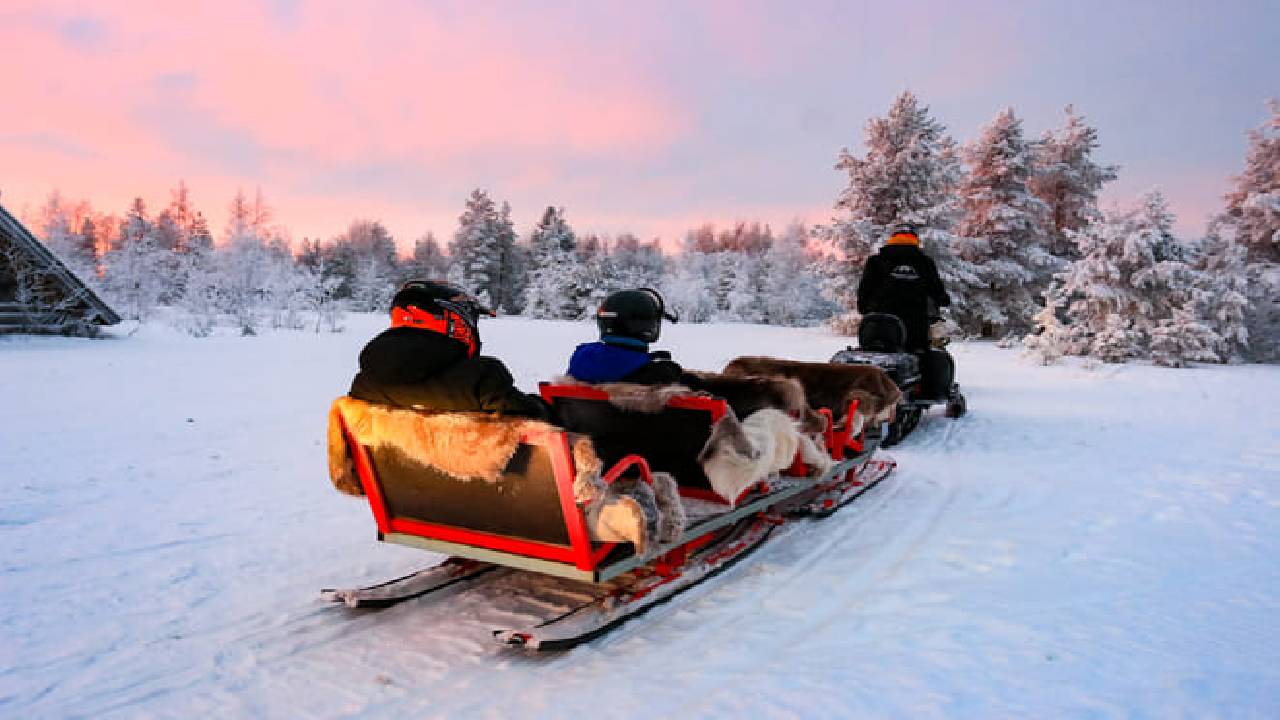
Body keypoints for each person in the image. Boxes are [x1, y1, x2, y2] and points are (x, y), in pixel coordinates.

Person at [349, 280, 551, 419]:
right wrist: (543, 406)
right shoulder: (482, 379)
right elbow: (532, 417)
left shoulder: (365, 384)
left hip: (398, 480)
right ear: (455, 322)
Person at [566, 288, 696, 386]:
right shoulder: (661, 375)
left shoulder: (581, 359)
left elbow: (614, 362)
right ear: (644, 325)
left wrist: (646, 359)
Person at [856, 225, 950, 352]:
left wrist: (863, 308)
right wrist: (943, 300)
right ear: (915, 239)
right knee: (918, 355)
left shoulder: (876, 261)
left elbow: (865, 289)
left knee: (876, 349)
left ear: (892, 239)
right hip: (916, 322)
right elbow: (936, 289)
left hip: (880, 321)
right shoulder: (925, 262)